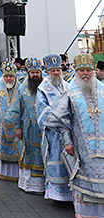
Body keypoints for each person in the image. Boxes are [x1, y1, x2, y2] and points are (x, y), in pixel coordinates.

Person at [47, 53, 104, 218]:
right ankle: (85, 214)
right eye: (81, 70)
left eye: (88, 70)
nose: (85, 73)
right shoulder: (71, 92)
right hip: (82, 145)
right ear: (76, 71)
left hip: (102, 143)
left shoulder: (102, 89)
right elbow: (58, 118)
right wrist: (67, 141)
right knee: (84, 173)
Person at [36, 53, 72, 203]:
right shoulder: (42, 88)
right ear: (47, 70)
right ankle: (57, 195)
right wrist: (60, 122)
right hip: (53, 133)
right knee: (55, 159)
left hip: (69, 132)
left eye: (58, 70)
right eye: (53, 71)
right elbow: (42, 112)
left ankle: (70, 194)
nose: (56, 73)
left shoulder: (69, 86)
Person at [6, 56, 45, 194]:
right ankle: (30, 185)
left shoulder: (46, 86)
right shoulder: (23, 88)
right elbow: (15, 109)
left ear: (41, 73)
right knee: (29, 153)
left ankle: (45, 185)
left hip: (45, 130)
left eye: (37, 72)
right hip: (29, 130)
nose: (35, 75)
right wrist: (17, 128)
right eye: (32, 73)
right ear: (28, 73)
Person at [0, 60, 20, 181]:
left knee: (17, 147)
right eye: (6, 76)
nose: (9, 79)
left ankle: (17, 173)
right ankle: (3, 171)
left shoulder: (20, 87)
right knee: (4, 146)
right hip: (2, 125)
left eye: (11, 76)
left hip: (17, 126)